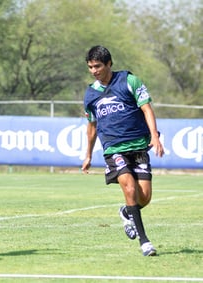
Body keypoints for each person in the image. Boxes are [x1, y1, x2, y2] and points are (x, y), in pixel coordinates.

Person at [81, 45, 164, 256]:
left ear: (109, 63)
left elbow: (147, 108)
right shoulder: (91, 94)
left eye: (97, 66)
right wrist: (89, 154)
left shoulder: (129, 81)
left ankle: (127, 212)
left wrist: (154, 136)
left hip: (138, 145)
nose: (94, 71)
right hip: (113, 148)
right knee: (128, 189)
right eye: (90, 67)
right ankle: (145, 242)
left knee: (144, 197)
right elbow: (92, 127)